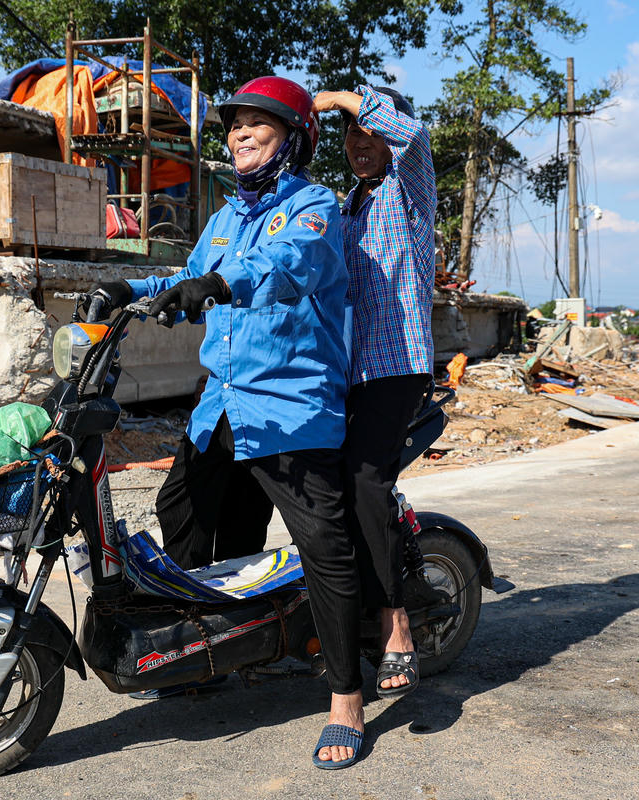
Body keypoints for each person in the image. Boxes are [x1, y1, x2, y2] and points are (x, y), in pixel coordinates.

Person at [89, 76, 367, 769]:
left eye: (258, 125)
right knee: (180, 506)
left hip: (289, 406)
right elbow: (189, 272)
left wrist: (217, 286)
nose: (240, 134)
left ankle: (346, 699)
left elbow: (284, 267)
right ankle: (203, 651)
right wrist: (132, 287)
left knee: (324, 552)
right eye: (235, 125)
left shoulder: (313, 207)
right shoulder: (222, 219)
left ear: (293, 138)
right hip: (223, 401)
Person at [312, 84, 438, 702]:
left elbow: (410, 135)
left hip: (398, 367)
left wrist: (336, 98)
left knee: (364, 479)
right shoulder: (346, 206)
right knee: (319, 484)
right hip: (348, 371)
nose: (361, 145)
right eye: (351, 137)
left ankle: (397, 628)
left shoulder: (408, 188)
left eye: (370, 135)